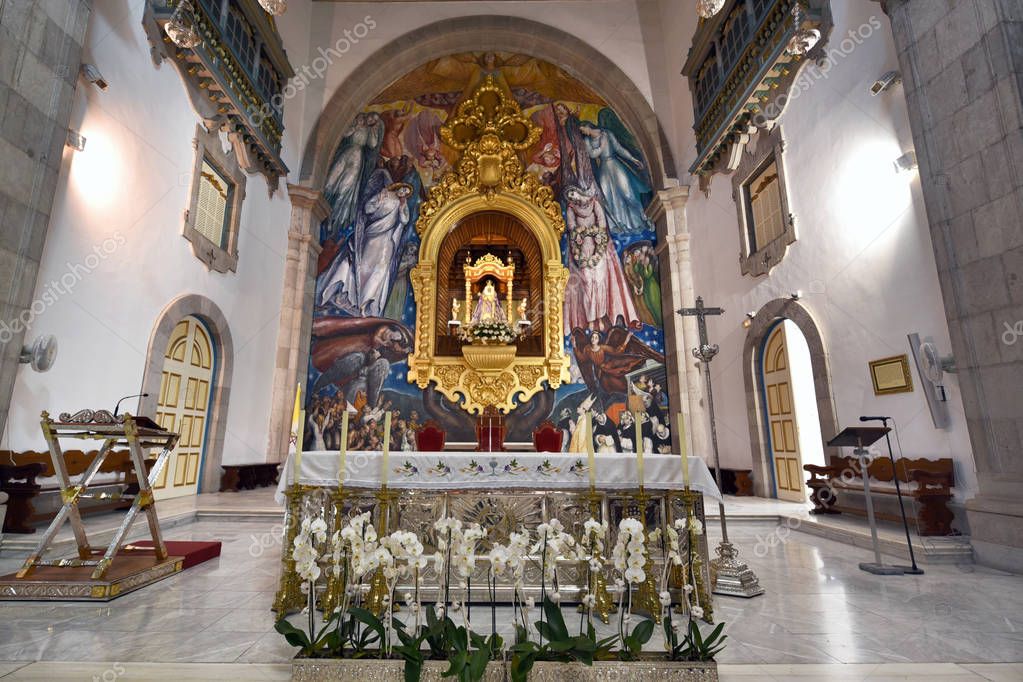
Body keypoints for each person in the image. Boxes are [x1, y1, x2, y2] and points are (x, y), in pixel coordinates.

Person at [563, 185, 639, 331]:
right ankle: (591, 320)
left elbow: (602, 222)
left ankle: (601, 316)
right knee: (587, 284)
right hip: (582, 249)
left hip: (599, 246)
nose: (572, 196)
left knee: (600, 281)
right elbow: (571, 226)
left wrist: (596, 234)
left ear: (578, 191)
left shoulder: (594, 203)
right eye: (569, 196)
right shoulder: (571, 209)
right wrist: (580, 234)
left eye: (573, 193)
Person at [578, 120, 654, 234]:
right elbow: (592, 154)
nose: (583, 132)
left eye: (582, 129)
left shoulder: (607, 134)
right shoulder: (587, 140)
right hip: (604, 169)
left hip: (615, 164)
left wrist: (632, 158)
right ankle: (620, 226)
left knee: (628, 193)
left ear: (587, 126)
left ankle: (644, 218)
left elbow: (618, 148)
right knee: (609, 197)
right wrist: (602, 146)